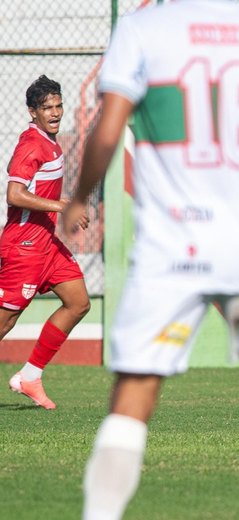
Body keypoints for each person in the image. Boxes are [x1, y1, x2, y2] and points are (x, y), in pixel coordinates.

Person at [63, 1, 239, 518]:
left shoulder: (141, 29)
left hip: (174, 248)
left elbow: (106, 132)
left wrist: (80, 197)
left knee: (135, 393)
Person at [3, 75, 91, 410]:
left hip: (46, 244)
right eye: (46, 108)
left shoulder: (50, 141)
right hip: (24, 246)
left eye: (58, 105)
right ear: (33, 112)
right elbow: (15, 194)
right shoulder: (31, 144)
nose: (55, 113)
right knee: (6, 321)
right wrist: (61, 206)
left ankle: (30, 375)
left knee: (78, 301)